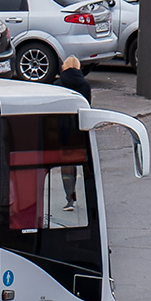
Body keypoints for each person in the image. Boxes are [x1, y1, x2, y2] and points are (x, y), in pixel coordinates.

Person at [57, 55, 92, 211]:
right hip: (80, 130)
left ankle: (69, 198)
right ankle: (90, 197)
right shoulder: (85, 86)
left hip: (63, 131)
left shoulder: (57, 85)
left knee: (67, 167)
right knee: (85, 165)